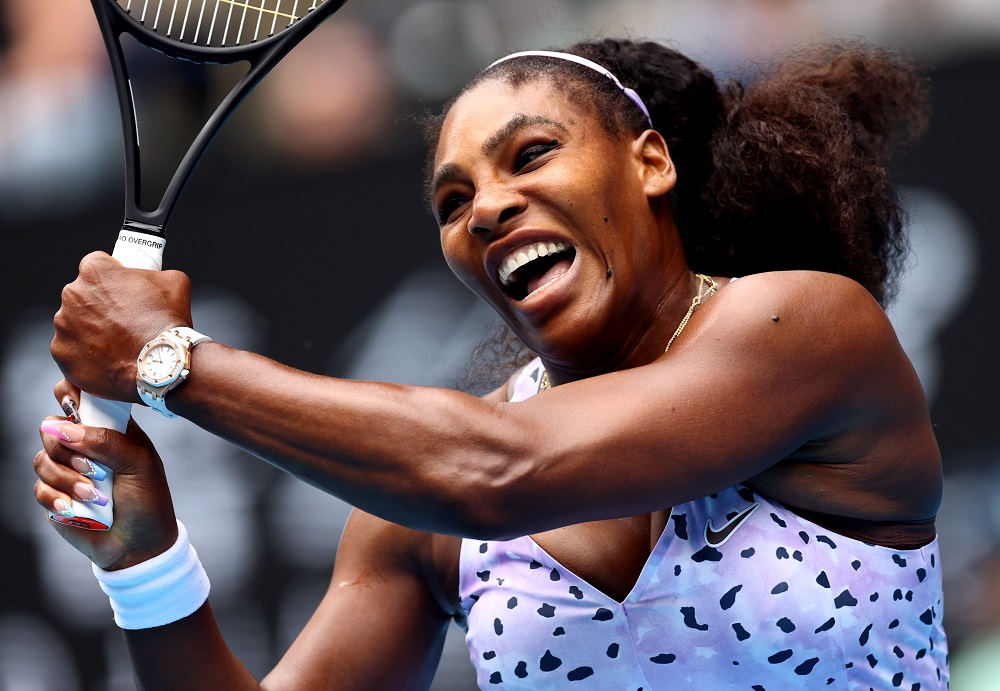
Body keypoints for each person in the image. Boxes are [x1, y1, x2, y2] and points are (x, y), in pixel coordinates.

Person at [35, 38, 947, 688]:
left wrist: (169, 359)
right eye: (453, 198)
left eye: (533, 154)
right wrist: (143, 558)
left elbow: (504, 470)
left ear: (652, 162)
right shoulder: (417, 520)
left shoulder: (808, 325)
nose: (487, 209)